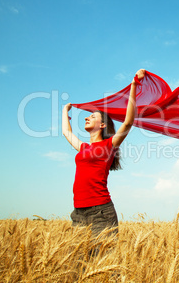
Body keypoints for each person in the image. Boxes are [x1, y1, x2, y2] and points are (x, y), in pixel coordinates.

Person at [62, 69, 146, 236]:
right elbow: (66, 132)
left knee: (101, 259)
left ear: (102, 125)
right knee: (77, 261)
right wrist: (65, 110)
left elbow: (128, 122)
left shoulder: (109, 145)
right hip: (78, 212)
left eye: (92, 117)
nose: (86, 118)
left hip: (100, 212)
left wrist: (134, 86)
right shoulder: (84, 148)